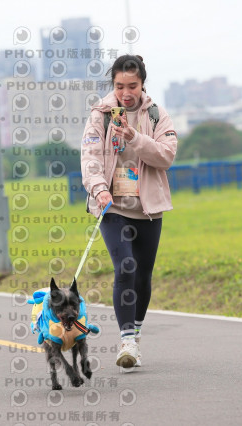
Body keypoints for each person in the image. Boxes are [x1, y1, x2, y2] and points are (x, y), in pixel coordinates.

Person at [80, 55, 178, 371]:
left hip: (148, 209)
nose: (125, 93)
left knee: (143, 275)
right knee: (125, 267)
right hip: (112, 206)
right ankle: (127, 341)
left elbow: (166, 156)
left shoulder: (156, 115)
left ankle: (135, 331)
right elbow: (90, 157)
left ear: (142, 84)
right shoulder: (100, 115)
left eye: (132, 86)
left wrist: (134, 138)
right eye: (119, 86)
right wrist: (99, 189)